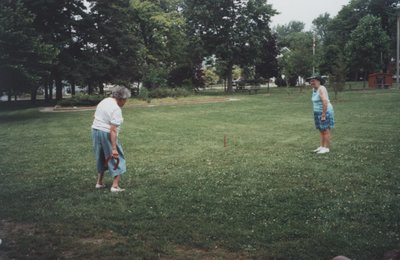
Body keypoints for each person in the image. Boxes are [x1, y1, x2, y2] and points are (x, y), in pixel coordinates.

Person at [91, 86, 131, 192]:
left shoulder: (105, 101)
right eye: (125, 100)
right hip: (105, 132)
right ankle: (115, 186)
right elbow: (112, 130)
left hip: (95, 130)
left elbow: (94, 116)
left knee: (101, 157)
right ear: (121, 98)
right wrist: (114, 148)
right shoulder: (116, 109)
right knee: (118, 157)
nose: (125, 102)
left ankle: (99, 183)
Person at [308, 74, 334, 154]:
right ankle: (322, 146)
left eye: (313, 80)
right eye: (311, 81)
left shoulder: (321, 88)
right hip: (317, 112)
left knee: (325, 129)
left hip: (324, 112)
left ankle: (326, 148)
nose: (311, 82)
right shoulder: (314, 89)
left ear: (319, 81)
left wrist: (323, 114)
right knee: (321, 130)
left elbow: (325, 102)